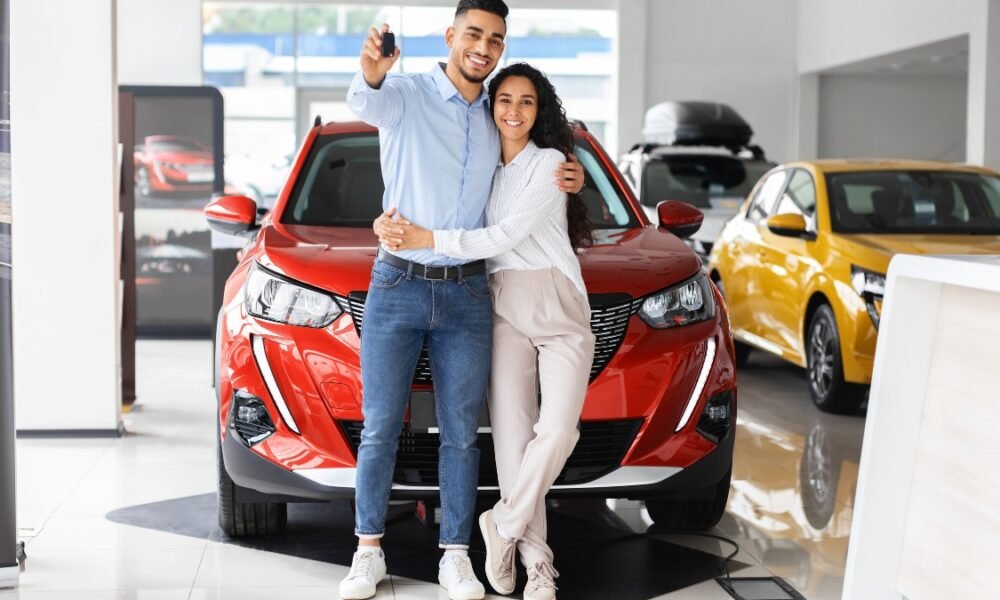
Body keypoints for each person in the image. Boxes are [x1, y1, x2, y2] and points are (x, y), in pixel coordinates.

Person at [338, 2, 584, 599]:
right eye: (473, 33)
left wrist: (574, 175)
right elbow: (366, 102)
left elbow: (531, 170)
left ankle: (456, 554)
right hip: (398, 282)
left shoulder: (496, 117)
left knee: (461, 434)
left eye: (495, 39)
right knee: (379, 428)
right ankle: (367, 552)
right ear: (451, 35)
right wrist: (371, 71)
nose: (483, 46)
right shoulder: (409, 93)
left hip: (471, 291)